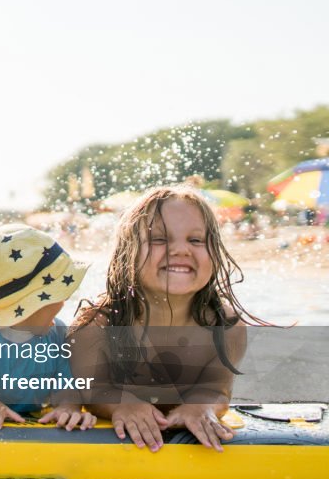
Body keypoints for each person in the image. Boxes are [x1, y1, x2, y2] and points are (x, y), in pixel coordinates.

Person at [70, 185, 257, 452]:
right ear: (128, 254)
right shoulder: (96, 326)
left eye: (196, 240)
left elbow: (217, 388)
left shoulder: (225, 327)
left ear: (215, 254)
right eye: (159, 239)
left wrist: (201, 406)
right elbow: (90, 389)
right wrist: (121, 403)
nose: (180, 250)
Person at [0, 224, 96, 431]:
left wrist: (67, 407)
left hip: (29, 408)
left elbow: (65, 386)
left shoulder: (56, 333)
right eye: (60, 295)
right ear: (32, 303)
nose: (64, 302)